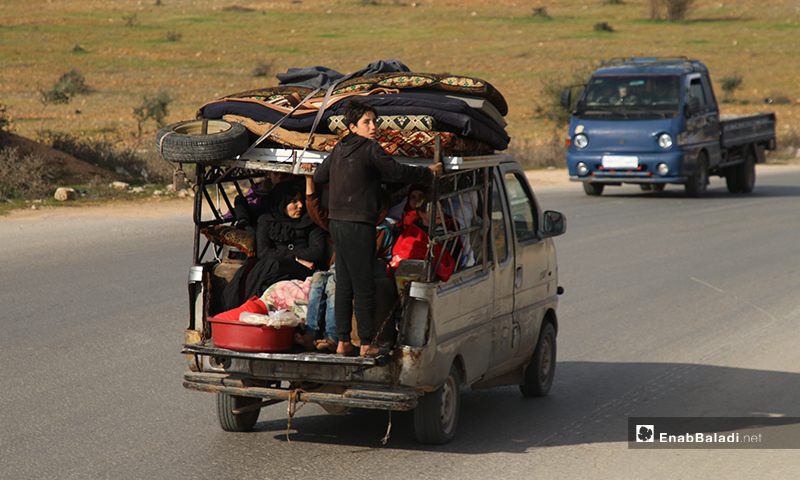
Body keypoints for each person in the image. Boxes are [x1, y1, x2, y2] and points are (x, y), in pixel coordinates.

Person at [313, 99, 441, 357]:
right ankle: (367, 343)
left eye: (374, 122)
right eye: (366, 122)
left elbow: (318, 176)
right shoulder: (370, 148)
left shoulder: (339, 148)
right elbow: (396, 171)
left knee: (345, 282)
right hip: (359, 226)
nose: (373, 127)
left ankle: (343, 342)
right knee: (363, 285)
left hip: (337, 225)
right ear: (352, 126)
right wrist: (428, 173)